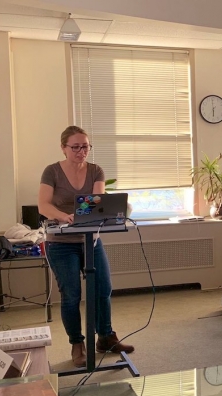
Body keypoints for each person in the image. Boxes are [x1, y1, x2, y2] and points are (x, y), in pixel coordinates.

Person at [38, 126, 134, 368]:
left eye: (86, 146)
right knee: (71, 295)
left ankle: (105, 337)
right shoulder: (52, 172)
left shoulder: (96, 171)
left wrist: (89, 214)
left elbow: (97, 203)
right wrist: (63, 215)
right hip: (61, 244)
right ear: (64, 148)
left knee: (103, 288)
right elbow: (43, 205)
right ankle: (77, 344)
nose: (82, 151)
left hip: (91, 239)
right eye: (76, 147)